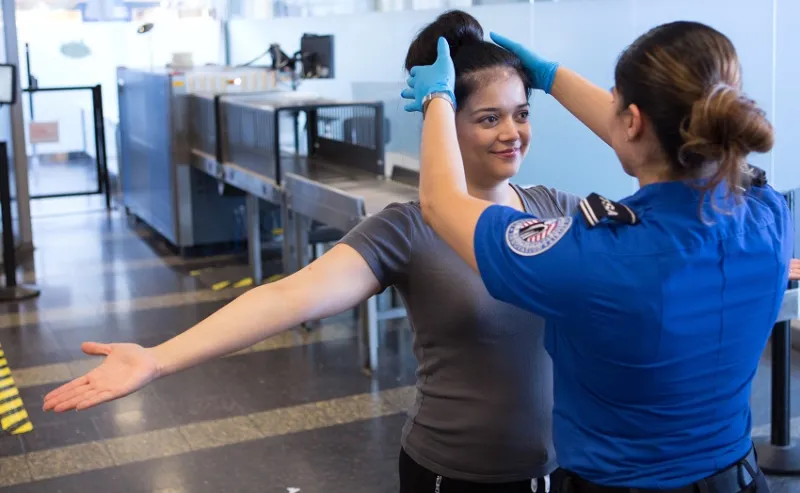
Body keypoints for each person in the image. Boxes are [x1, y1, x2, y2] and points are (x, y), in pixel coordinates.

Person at [44, 11, 579, 493]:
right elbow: (286, 298)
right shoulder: (407, 230)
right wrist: (158, 360)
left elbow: (655, 206)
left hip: (554, 471)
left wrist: (562, 79)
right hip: (451, 477)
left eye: (522, 113)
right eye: (489, 118)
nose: (513, 133)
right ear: (442, 120)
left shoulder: (555, 209)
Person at [401, 20, 795, 493]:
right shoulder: (767, 213)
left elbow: (441, 204)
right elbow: (691, 153)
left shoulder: (595, 255)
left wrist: (438, 101)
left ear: (631, 121)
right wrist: (548, 76)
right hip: (742, 479)